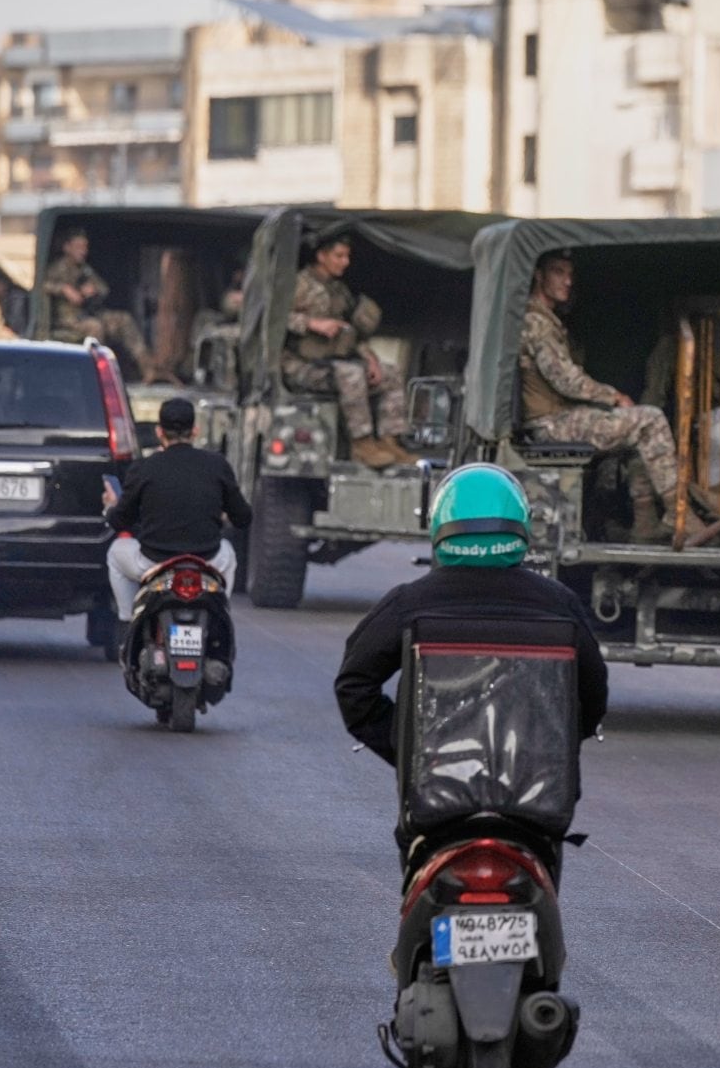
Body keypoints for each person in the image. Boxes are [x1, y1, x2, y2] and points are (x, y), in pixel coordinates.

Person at [334, 464, 608, 868]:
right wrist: (552, 747)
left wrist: (409, 746)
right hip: (534, 798)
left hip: (437, 798)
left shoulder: (409, 602)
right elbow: (592, 692)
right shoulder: (558, 603)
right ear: (521, 527)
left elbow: (354, 685)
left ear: (440, 527)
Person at [517, 250, 684, 541]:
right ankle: (679, 513)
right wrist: (613, 397)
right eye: (558, 272)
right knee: (650, 420)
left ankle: (644, 520)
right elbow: (565, 380)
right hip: (552, 424)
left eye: (570, 274)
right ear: (538, 275)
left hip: (559, 419)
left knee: (637, 431)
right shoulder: (536, 323)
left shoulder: (548, 322)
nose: (567, 281)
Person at [102, 397, 253, 627]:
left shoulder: (144, 468)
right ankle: (219, 614)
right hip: (207, 560)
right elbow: (243, 518)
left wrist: (111, 505)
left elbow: (119, 520)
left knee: (116, 552)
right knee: (229, 554)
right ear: (195, 431)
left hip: (153, 562)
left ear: (159, 432)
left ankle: (128, 621)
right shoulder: (217, 465)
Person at [284, 234, 413, 470]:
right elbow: (273, 318)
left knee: (390, 373)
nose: (345, 262)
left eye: (347, 256)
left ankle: (390, 440)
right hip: (300, 366)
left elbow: (351, 334)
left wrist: (371, 360)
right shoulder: (296, 284)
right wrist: (312, 323)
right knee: (351, 373)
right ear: (321, 256)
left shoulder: (339, 291)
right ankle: (362, 443)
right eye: (339, 256)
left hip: (332, 362)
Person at [42, 227, 166, 383]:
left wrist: (92, 290)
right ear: (67, 248)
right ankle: (98, 375)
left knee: (123, 319)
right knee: (95, 327)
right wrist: (65, 290)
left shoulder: (84, 269)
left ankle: (148, 369)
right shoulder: (57, 268)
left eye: (85, 247)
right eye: (79, 247)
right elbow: (42, 285)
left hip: (89, 313)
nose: (83, 251)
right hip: (68, 320)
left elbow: (104, 288)